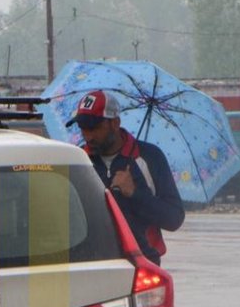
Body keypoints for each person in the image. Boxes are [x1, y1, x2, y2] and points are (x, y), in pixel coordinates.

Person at [67, 90, 184, 265]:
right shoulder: (78, 161)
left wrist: (135, 194)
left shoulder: (150, 157)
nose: (87, 136)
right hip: (91, 262)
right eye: (82, 128)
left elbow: (174, 219)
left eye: (94, 127)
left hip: (142, 262)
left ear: (115, 123)